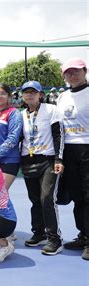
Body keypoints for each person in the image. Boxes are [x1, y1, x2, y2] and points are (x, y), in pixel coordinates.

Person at [20, 80, 64, 255]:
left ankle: (54, 238)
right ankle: (38, 233)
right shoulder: (21, 114)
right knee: (35, 199)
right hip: (28, 160)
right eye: (26, 92)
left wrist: (58, 159)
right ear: (22, 95)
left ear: (40, 94)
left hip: (48, 160)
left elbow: (58, 134)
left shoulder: (51, 110)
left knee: (47, 198)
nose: (29, 95)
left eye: (33, 92)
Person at [56, 58, 89, 260]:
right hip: (68, 151)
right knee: (77, 195)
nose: (72, 75)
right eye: (68, 72)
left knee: (88, 196)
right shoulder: (62, 96)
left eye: (76, 71)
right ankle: (83, 235)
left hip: (87, 149)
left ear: (85, 71)